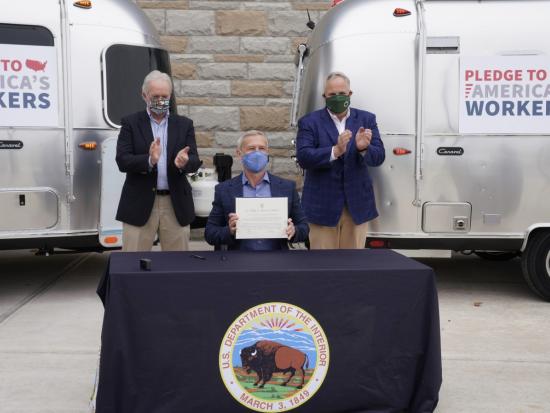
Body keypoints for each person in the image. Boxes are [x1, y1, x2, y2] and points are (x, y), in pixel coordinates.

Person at [296, 71, 385, 249]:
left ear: (350, 94)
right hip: (322, 207)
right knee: (322, 267)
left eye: (342, 94)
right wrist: (335, 151)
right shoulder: (309, 122)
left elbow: (379, 157)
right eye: (332, 94)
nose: (338, 98)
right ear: (324, 96)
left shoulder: (367, 119)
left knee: (352, 268)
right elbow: (304, 157)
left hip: (356, 207)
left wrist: (363, 148)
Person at [115, 70, 201, 251]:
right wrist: (149, 160)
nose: (161, 100)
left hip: (175, 202)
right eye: (155, 96)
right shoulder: (130, 123)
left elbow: (194, 160)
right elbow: (123, 160)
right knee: (133, 263)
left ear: (170, 96)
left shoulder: (184, 124)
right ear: (144, 95)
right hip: (139, 202)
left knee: (177, 265)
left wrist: (184, 162)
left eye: (165, 96)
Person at [205, 130, 309, 250]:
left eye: (262, 148)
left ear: (267, 153)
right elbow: (210, 233)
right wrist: (230, 231)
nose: (257, 153)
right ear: (239, 153)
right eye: (251, 148)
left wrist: (294, 230)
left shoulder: (287, 188)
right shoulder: (224, 190)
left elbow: (304, 228)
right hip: (238, 262)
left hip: (277, 260)